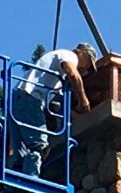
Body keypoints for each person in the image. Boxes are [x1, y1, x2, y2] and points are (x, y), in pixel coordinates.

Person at [10, 43, 95, 176]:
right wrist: (83, 99)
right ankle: (30, 184)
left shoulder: (56, 78)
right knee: (40, 146)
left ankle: (16, 182)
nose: (85, 70)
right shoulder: (69, 55)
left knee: (21, 154)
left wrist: (79, 116)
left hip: (17, 101)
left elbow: (57, 108)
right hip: (30, 99)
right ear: (82, 53)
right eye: (89, 64)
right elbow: (73, 74)